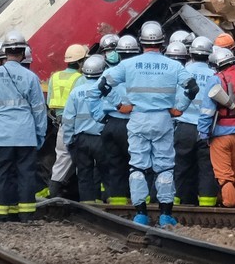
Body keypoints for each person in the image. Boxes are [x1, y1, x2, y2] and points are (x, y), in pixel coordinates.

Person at [98, 21, 198, 227]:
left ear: (141, 42)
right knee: (165, 167)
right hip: (163, 119)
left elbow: (104, 84)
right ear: (162, 42)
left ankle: (141, 214)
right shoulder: (174, 65)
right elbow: (192, 88)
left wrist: (119, 105)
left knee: (137, 166)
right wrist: (179, 108)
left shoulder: (127, 65)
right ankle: (165, 215)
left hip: (138, 118)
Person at [0, 30, 47, 221]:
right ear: (23, 52)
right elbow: (39, 109)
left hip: (0, 134)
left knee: (0, 174)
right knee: (26, 175)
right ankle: (25, 214)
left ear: (5, 51)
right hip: (26, 135)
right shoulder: (31, 77)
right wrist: (40, 134)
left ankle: (1, 216)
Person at [200, 47, 235, 207]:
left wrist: (204, 132)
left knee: (224, 175)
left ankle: (230, 203)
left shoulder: (216, 80)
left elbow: (207, 110)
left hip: (220, 134)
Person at [92, 33, 140, 205]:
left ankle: (119, 206)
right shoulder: (139, 72)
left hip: (111, 123)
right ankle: (139, 201)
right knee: (137, 163)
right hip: (133, 121)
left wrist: (101, 118)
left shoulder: (109, 73)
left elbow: (93, 96)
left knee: (115, 165)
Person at [170, 37, 218, 206]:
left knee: (181, 166)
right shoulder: (215, 75)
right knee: (206, 168)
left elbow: (174, 99)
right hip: (207, 130)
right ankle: (207, 205)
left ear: (190, 53)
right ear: (210, 55)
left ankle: (177, 204)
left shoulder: (183, 72)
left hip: (183, 127)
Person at [62, 55, 108, 203]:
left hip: (81, 139)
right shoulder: (106, 91)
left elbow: (68, 119)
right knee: (107, 172)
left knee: (84, 174)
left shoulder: (76, 92)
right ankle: (107, 203)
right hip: (102, 138)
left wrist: (69, 140)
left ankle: (88, 205)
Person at [47, 44, 88, 197]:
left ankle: (55, 193)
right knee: (81, 159)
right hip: (77, 123)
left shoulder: (54, 77)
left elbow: (50, 99)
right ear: (80, 62)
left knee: (62, 157)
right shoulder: (81, 79)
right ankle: (60, 193)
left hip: (60, 122)